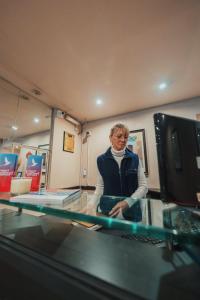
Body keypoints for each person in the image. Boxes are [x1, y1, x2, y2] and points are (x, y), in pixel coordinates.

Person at [95, 123, 148, 221]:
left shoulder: (135, 158)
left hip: (131, 212)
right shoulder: (101, 160)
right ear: (110, 138)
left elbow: (143, 186)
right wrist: (91, 205)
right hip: (108, 212)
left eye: (126, 137)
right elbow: (100, 186)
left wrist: (128, 202)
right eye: (119, 136)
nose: (123, 140)